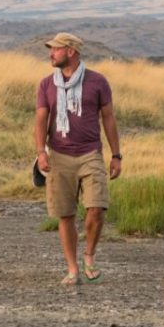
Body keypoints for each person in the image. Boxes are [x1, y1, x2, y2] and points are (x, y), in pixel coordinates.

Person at [32, 32, 121, 285]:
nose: (51, 54)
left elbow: (109, 118)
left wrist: (116, 155)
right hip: (59, 154)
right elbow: (41, 119)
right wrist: (40, 151)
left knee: (96, 208)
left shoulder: (98, 81)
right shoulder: (46, 84)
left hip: (90, 153)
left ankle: (89, 256)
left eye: (56, 49)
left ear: (71, 51)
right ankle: (72, 269)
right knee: (66, 214)